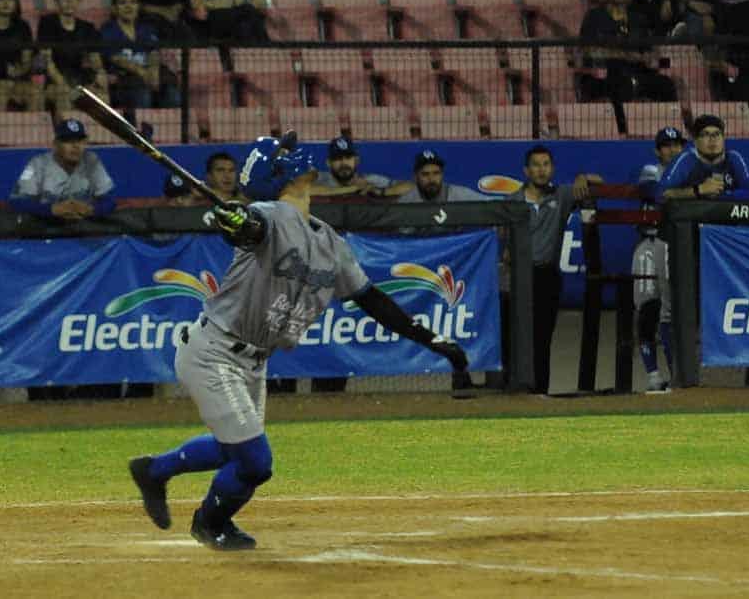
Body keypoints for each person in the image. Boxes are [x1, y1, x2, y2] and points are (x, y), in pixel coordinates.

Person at [127, 134, 468, 551]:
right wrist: (237, 222)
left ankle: (155, 471)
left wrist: (430, 338)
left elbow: (372, 299)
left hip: (254, 360)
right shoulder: (268, 214)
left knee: (233, 447)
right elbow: (251, 227)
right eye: (283, 153)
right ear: (277, 171)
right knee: (255, 462)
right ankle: (209, 521)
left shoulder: (327, 240)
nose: (293, 154)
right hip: (214, 351)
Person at [507, 146, 604, 394]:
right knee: (512, 339)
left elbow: (599, 183)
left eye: (546, 164)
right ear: (525, 170)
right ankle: (511, 392)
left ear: (552, 168)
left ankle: (540, 393)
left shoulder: (561, 196)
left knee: (542, 339)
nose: (541, 170)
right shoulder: (512, 202)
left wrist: (583, 177)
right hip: (516, 277)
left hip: (546, 276)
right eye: (536, 165)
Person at [632, 126, 684, 394]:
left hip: (678, 247)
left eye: (677, 145)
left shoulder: (689, 172)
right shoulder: (652, 169)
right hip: (649, 247)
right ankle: (653, 374)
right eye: (666, 145)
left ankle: (677, 373)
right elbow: (653, 191)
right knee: (647, 310)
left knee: (672, 311)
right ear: (657, 150)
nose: (673, 149)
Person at [578, 0, 678, 103]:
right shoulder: (594, 17)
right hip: (605, 75)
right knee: (621, 85)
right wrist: (623, 55)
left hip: (638, 73)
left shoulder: (639, 19)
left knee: (666, 84)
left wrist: (649, 56)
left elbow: (649, 49)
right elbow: (586, 50)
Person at [9, 119, 117, 221]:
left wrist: (90, 210)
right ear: (55, 144)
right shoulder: (38, 164)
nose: (75, 146)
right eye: (68, 141)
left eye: (79, 140)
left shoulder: (91, 161)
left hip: (82, 229)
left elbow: (110, 200)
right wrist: (52, 210)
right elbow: (17, 202)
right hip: (45, 230)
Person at [102, 0, 181, 110]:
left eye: (133, 2)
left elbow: (153, 53)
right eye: (123, 2)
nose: (129, 6)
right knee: (143, 96)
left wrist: (153, 71)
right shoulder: (108, 30)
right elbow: (116, 58)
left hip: (149, 78)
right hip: (124, 82)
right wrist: (142, 72)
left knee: (173, 95)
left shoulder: (146, 29)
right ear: (114, 8)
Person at [37, 0, 107, 121]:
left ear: (79, 1)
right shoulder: (47, 24)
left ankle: (97, 136)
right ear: (56, 2)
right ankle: (67, 135)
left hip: (80, 81)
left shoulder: (88, 28)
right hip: (54, 82)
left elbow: (96, 61)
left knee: (101, 94)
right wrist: (65, 86)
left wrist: (100, 74)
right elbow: (48, 62)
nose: (70, 0)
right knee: (64, 94)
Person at [655, 114, 749, 201]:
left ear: (723, 138)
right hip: (693, 220)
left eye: (717, 134)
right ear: (695, 141)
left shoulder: (734, 158)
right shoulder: (686, 160)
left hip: (728, 221)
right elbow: (661, 194)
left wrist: (723, 195)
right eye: (705, 134)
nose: (712, 140)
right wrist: (699, 190)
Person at [312, 136, 413, 199]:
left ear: (356, 161)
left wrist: (380, 192)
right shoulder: (320, 179)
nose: (343, 163)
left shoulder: (370, 180)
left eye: (348, 157)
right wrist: (353, 189)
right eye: (337, 158)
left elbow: (409, 187)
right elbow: (299, 190)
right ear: (328, 163)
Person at [396, 150, 486, 203]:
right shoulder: (406, 201)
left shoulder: (461, 195)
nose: (431, 179)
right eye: (425, 174)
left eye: (436, 173)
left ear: (442, 174)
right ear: (415, 176)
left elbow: (491, 204)